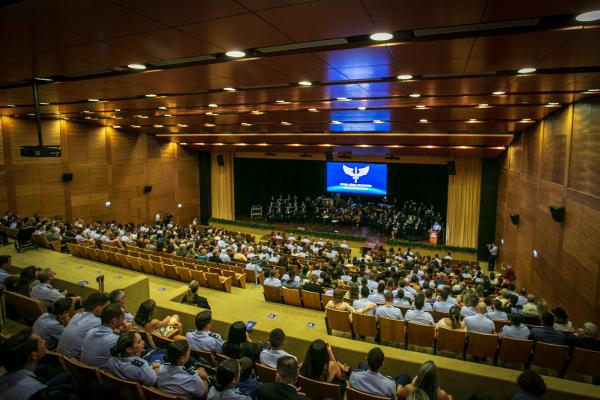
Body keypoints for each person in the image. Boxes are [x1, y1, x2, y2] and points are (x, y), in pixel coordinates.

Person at [57, 292, 108, 358]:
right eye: (106, 307)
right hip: (75, 364)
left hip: (61, 358)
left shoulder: (77, 315)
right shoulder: (97, 322)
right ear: (98, 308)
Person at [80, 303, 125, 370]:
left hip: (83, 371)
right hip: (100, 377)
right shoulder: (115, 339)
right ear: (114, 320)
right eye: (123, 317)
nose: (124, 320)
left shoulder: (91, 331)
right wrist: (127, 333)